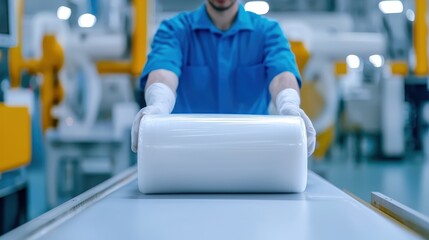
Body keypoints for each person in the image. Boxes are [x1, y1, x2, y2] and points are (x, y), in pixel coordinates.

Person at [131, 0, 316, 156]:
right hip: (186, 152)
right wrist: (158, 106)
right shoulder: (174, 30)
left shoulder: (268, 32)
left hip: (254, 152)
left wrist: (289, 106)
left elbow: (282, 74)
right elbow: (163, 72)